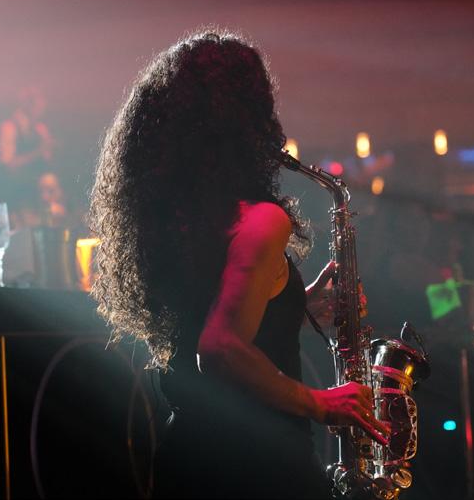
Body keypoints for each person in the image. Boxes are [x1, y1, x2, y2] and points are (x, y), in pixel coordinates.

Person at [89, 30, 389, 499]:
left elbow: (213, 316)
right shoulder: (261, 220)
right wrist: (322, 403)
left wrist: (297, 301)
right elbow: (220, 349)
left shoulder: (185, 220)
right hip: (262, 463)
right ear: (247, 115)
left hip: (190, 458)